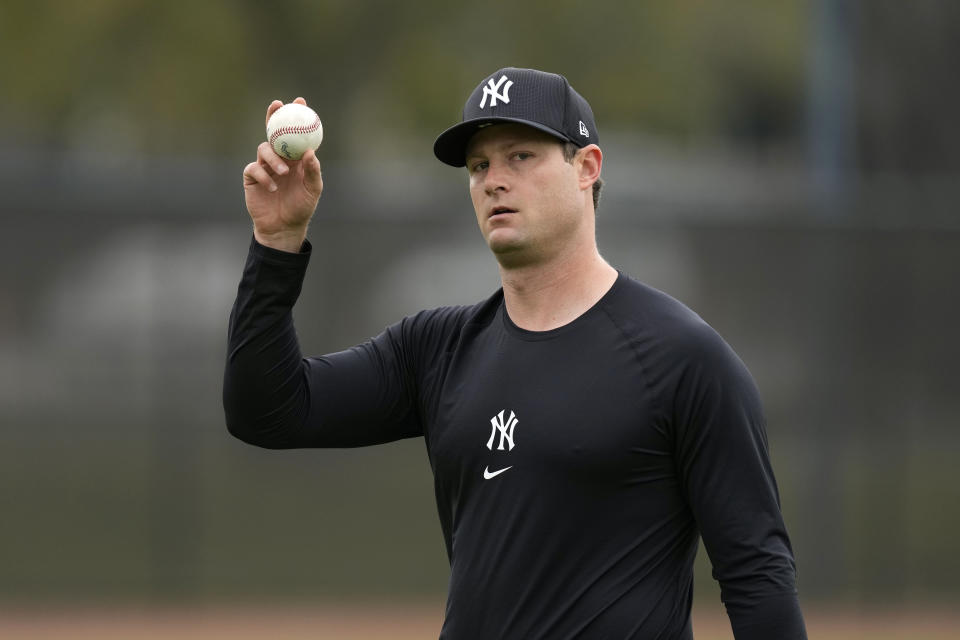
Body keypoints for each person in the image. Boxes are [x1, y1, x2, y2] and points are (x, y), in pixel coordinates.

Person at [225, 67, 808, 639]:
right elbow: (269, 411)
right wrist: (277, 242)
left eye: (520, 157)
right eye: (479, 165)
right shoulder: (437, 349)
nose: (493, 180)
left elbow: (758, 578)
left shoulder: (682, 358)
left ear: (587, 167)